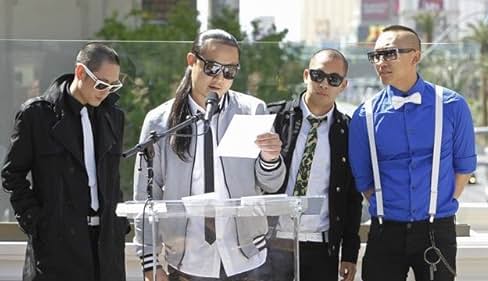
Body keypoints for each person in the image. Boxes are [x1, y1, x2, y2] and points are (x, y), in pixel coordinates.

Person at [133, 29, 286, 281]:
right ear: (192, 61)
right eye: (213, 67)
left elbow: (271, 183)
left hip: (246, 255)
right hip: (187, 257)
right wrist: (150, 260)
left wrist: (271, 158)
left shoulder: (252, 110)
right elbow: (146, 195)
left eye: (230, 71)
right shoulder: (159, 121)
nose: (220, 78)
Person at [349, 25, 476, 281]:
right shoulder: (364, 114)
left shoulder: (452, 106)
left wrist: (435, 205)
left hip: (436, 230)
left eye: (389, 54)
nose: (380, 62)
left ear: (415, 56)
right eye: (376, 56)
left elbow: (464, 168)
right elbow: (364, 180)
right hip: (385, 232)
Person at [1, 43, 129, 281]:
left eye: (113, 86)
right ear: (80, 72)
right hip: (57, 246)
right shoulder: (37, 115)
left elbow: (113, 177)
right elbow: (12, 175)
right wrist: (37, 223)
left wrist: (120, 226)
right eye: (101, 84)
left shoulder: (113, 116)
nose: (106, 91)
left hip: (106, 245)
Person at [267, 48, 363, 281]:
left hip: (321, 248)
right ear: (306, 75)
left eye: (333, 79)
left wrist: (349, 253)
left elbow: (352, 197)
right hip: (273, 243)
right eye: (318, 75)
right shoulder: (275, 117)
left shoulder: (348, 131)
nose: (324, 84)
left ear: (343, 85)